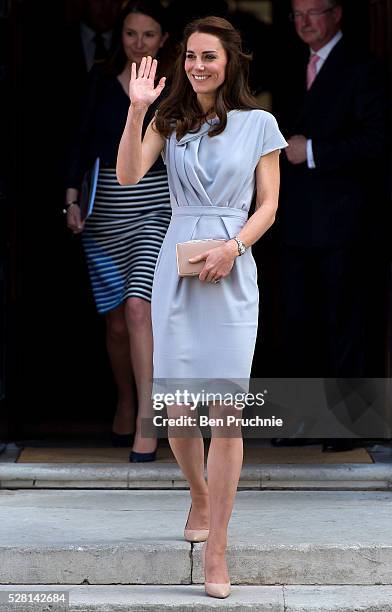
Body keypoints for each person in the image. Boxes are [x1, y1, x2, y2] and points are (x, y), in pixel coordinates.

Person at [117, 16, 287, 599]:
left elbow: (267, 207)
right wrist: (138, 108)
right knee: (180, 412)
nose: (197, 66)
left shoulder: (260, 124)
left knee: (225, 413)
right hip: (179, 267)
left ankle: (218, 550)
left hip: (233, 267)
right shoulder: (170, 118)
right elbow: (129, 173)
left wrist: (233, 248)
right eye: (190, 56)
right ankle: (198, 494)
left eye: (208, 56)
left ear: (230, 60)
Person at [274, 0, 387, 452]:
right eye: (296, 14)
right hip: (297, 217)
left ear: (337, 14)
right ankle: (302, 421)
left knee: (348, 322)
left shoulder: (364, 67)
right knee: (299, 321)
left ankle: (352, 426)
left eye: (313, 12)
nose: (304, 22)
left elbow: (379, 141)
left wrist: (315, 151)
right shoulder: (290, 65)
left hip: (347, 219)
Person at [65, 0, 173, 461]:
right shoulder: (100, 80)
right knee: (115, 324)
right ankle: (126, 399)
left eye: (148, 34)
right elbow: (80, 140)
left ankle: (149, 418)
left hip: (154, 209)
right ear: (120, 36)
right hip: (104, 213)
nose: (139, 43)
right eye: (131, 33)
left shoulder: (174, 86)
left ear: (163, 39)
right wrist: (71, 198)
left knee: (138, 309)